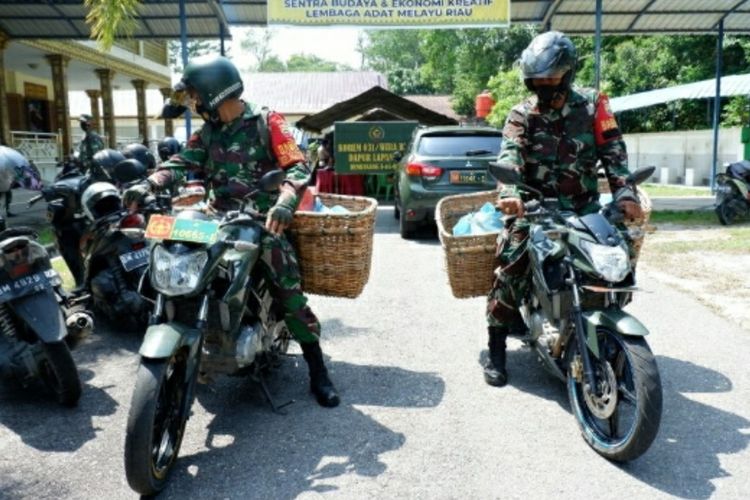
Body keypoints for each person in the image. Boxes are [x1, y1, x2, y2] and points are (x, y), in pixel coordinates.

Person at [124, 55, 340, 407]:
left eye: (194, 94)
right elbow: (182, 163)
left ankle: (318, 370)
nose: (192, 102)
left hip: (262, 220)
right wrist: (151, 182)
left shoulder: (266, 121)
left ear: (212, 92)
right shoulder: (208, 133)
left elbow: (298, 167)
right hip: (218, 220)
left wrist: (285, 201)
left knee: (288, 293)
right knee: (177, 260)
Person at [484, 31, 643, 387]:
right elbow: (509, 154)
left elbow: (614, 154)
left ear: (567, 74)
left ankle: (608, 332)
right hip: (535, 207)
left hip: (585, 207)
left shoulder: (593, 105)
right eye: (537, 79)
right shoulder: (521, 113)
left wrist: (625, 193)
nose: (543, 84)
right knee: (513, 260)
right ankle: (496, 343)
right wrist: (511, 193)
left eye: (551, 78)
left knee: (616, 256)